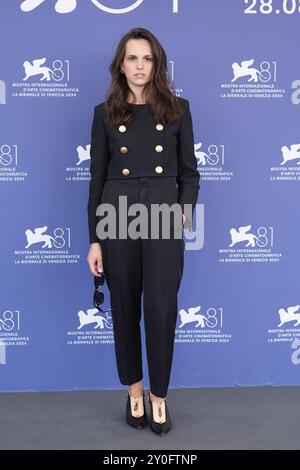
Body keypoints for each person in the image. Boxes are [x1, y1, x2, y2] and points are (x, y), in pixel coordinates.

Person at [86, 27, 200, 436]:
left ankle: (159, 396)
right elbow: (96, 181)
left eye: (147, 58)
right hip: (116, 213)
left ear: (157, 64)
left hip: (162, 214)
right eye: (132, 58)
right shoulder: (104, 113)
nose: (139, 66)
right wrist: (94, 239)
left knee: (161, 308)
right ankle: (134, 389)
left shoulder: (178, 110)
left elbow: (190, 173)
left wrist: (183, 213)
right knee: (126, 308)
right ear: (121, 64)